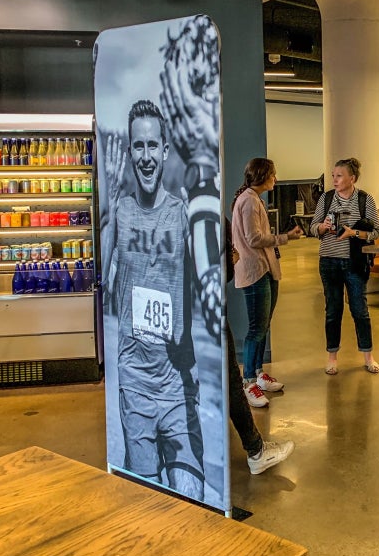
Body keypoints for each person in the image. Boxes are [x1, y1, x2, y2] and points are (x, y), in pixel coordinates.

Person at [102, 99, 204, 500]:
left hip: (178, 382)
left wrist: (199, 227)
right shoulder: (122, 211)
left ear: (164, 151)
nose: (145, 156)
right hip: (135, 383)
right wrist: (108, 210)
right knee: (144, 502)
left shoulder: (181, 212)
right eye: (138, 146)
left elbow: (207, 283)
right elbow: (104, 283)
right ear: (130, 152)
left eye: (152, 146)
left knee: (191, 497)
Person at [231, 158, 303, 408]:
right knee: (256, 329)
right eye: (273, 174)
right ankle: (249, 382)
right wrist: (285, 237)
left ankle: (259, 374)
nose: (276, 178)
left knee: (263, 326)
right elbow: (254, 238)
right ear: (262, 175)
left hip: (264, 269)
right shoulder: (249, 201)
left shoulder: (253, 199)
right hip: (255, 271)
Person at [224, 219, 294, 474]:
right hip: (207, 313)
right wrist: (283, 238)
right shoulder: (210, 214)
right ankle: (256, 451)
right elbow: (225, 266)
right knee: (231, 381)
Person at [310, 157, 379, 375]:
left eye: (339, 176)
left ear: (352, 178)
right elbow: (313, 228)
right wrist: (322, 227)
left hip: (354, 262)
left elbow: (376, 232)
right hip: (328, 261)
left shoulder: (365, 199)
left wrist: (354, 233)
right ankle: (332, 357)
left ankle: (368, 355)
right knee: (333, 310)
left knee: (360, 310)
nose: (334, 179)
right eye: (333, 175)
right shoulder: (326, 198)